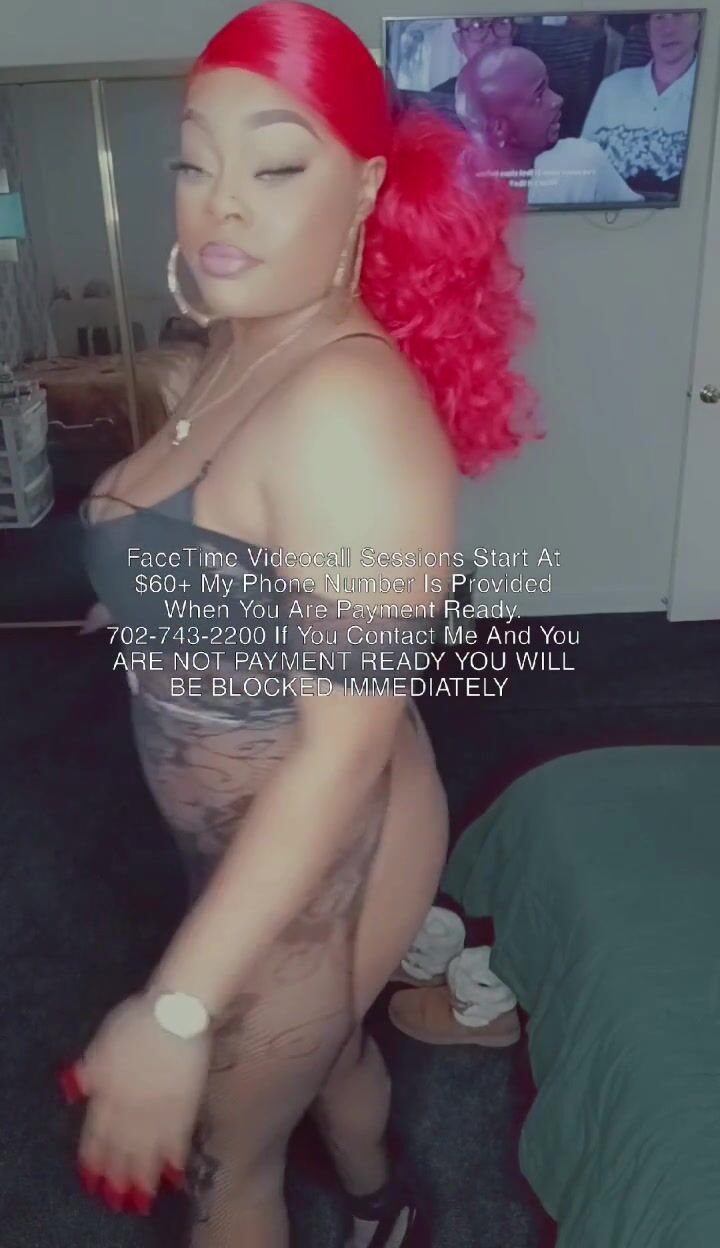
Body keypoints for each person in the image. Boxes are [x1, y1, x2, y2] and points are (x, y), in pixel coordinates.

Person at [62, 4, 536, 1247]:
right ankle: (386, 1202)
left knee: (228, 1157)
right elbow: (213, 510)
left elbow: (338, 754)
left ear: (366, 187)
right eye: (193, 162)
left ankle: (373, 1200)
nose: (221, 203)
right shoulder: (238, 345)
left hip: (330, 835)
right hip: (236, 818)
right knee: (324, 1056)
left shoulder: (347, 413)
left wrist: (172, 1012)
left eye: (275, 166)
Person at [456, 46, 643, 208]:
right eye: (539, 96)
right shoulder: (451, 186)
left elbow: (637, 223)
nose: (557, 100)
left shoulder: (582, 162)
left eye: (548, 87)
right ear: (499, 129)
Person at [581, 10, 702, 199]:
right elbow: (583, 172)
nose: (668, 29)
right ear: (648, 29)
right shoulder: (612, 87)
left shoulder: (710, 92)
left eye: (679, 14)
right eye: (659, 17)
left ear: (700, 22)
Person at [433, 15, 515, 97]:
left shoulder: (523, 92)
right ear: (459, 41)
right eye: (476, 25)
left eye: (502, 22)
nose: (491, 39)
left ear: (514, 32)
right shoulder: (438, 99)